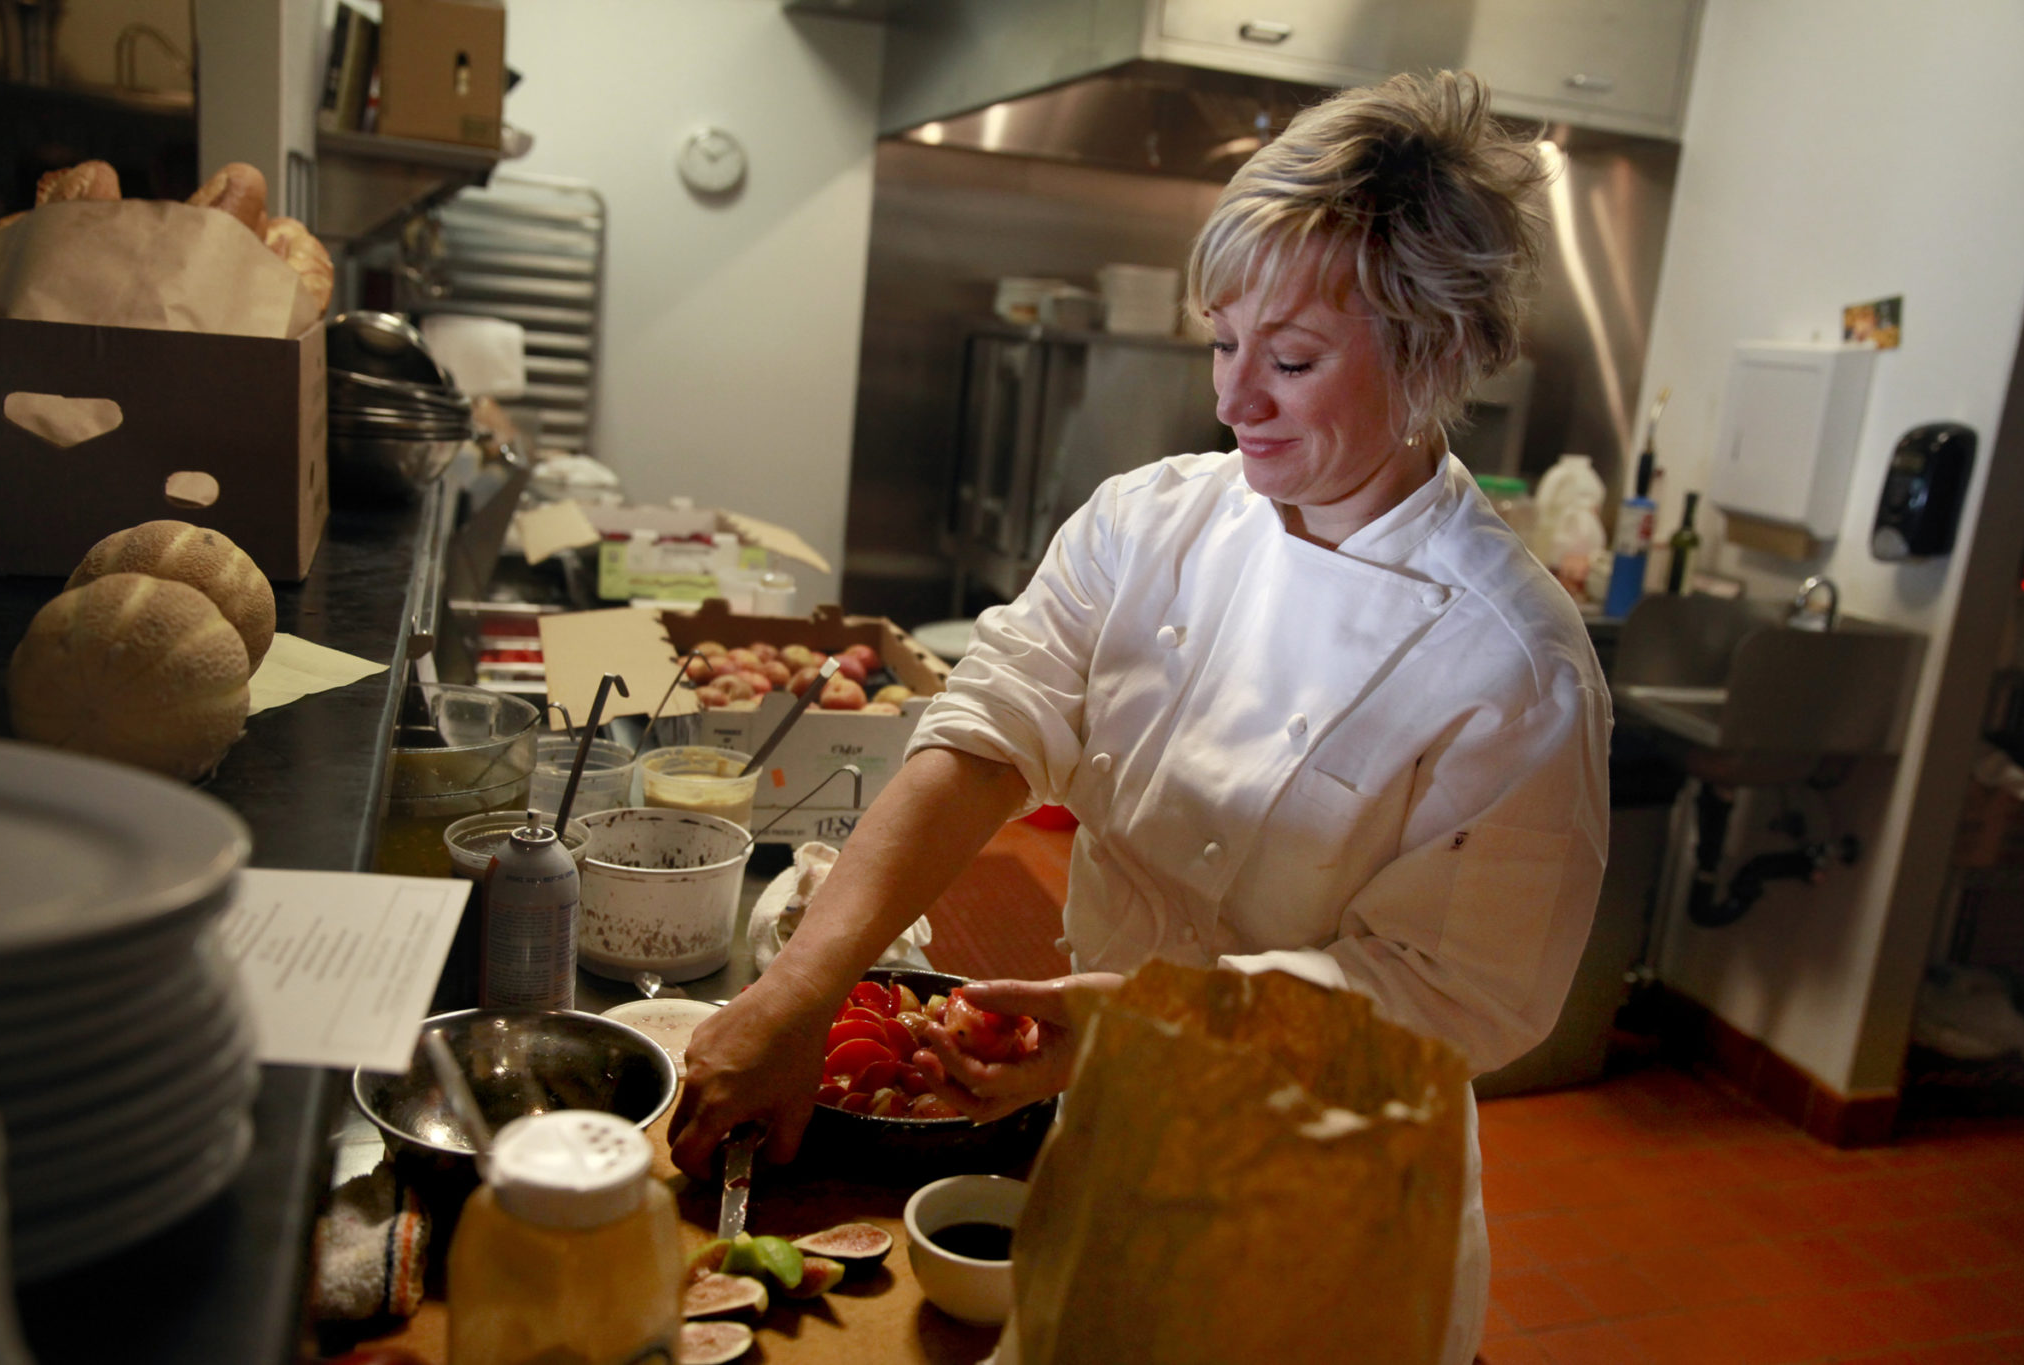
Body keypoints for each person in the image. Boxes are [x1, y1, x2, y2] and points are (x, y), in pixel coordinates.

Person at [670, 69, 1609, 1365]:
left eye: (1289, 359)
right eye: (1223, 343)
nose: (1233, 399)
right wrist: (801, 984)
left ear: (1434, 352)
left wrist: (1138, 1017)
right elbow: (990, 731)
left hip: (1330, 1199)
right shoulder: (1150, 520)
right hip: (1105, 1122)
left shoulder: (1515, 665)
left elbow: (1453, 998)